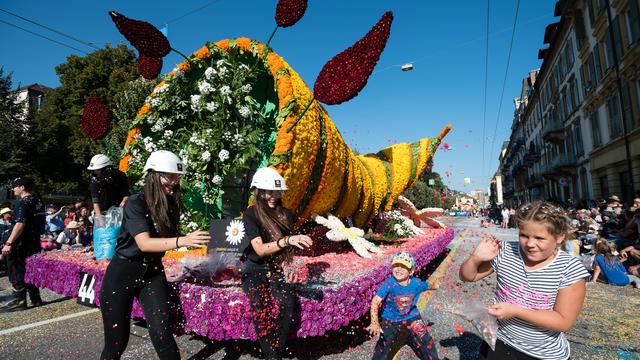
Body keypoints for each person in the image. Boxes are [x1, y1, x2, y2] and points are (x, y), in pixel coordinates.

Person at [99, 150, 210, 360]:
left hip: (152, 273)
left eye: (177, 178)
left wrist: (202, 239)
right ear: (153, 175)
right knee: (116, 343)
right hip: (122, 273)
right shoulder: (135, 202)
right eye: (170, 177)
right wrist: (183, 240)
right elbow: (144, 243)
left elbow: (170, 237)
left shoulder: (171, 203)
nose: (175, 182)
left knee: (163, 334)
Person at [459, 201, 589, 360]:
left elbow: (563, 321)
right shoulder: (506, 251)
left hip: (543, 354)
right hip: (499, 341)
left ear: (560, 236)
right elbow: (467, 276)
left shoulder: (569, 268)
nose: (530, 244)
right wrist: (475, 258)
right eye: (524, 235)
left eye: (540, 238)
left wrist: (515, 311)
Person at [241, 167, 313, 360]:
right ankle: (273, 356)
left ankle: (274, 354)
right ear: (258, 192)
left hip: (277, 269)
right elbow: (260, 249)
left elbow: (287, 250)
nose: (273, 196)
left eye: (277, 192)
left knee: (288, 304)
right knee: (260, 306)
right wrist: (287, 241)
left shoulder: (286, 214)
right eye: (268, 192)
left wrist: (288, 267)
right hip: (254, 269)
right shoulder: (250, 214)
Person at [366, 252, 440, 360]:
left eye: (403, 266)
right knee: (383, 348)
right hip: (390, 320)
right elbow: (375, 301)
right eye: (396, 265)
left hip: (412, 317)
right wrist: (374, 323)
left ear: (411, 271)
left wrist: (436, 286)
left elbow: (427, 286)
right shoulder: (389, 283)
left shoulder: (416, 283)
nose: (399, 269)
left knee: (426, 341)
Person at [0, 177, 45, 312]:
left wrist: (9, 243)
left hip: (21, 241)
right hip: (34, 240)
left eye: (15, 186)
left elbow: (20, 223)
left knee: (16, 269)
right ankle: (35, 298)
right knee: (30, 268)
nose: (13, 189)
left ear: (22, 187)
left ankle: (18, 301)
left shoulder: (22, 202)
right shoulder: (38, 201)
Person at [87, 154, 130, 226]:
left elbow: (126, 193)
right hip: (102, 213)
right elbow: (95, 202)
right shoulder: (94, 182)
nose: (95, 173)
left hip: (120, 212)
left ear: (107, 168)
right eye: (94, 170)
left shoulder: (120, 176)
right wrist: (100, 220)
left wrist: (123, 201)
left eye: (98, 170)